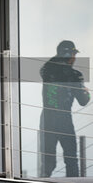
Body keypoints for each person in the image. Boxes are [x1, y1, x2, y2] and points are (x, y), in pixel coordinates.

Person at [39, 40, 90, 177]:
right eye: (73, 54)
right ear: (68, 54)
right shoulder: (74, 75)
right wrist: (86, 91)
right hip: (64, 119)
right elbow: (83, 101)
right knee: (71, 160)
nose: (74, 58)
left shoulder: (47, 70)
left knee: (48, 162)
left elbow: (46, 67)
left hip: (47, 119)